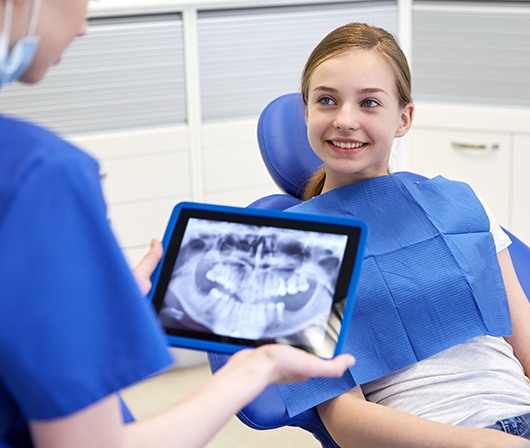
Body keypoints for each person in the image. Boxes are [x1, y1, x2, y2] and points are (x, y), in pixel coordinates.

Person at [0, 1, 356, 447]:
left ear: (405, 117)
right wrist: (254, 369)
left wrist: (82, 309)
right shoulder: (39, 174)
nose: (84, 24)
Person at [274, 22, 530, 447]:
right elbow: (343, 417)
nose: (344, 120)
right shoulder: (290, 248)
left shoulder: (461, 204)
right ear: (306, 112)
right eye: (326, 101)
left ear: (403, 118)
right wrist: (482, 443)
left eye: (369, 102)